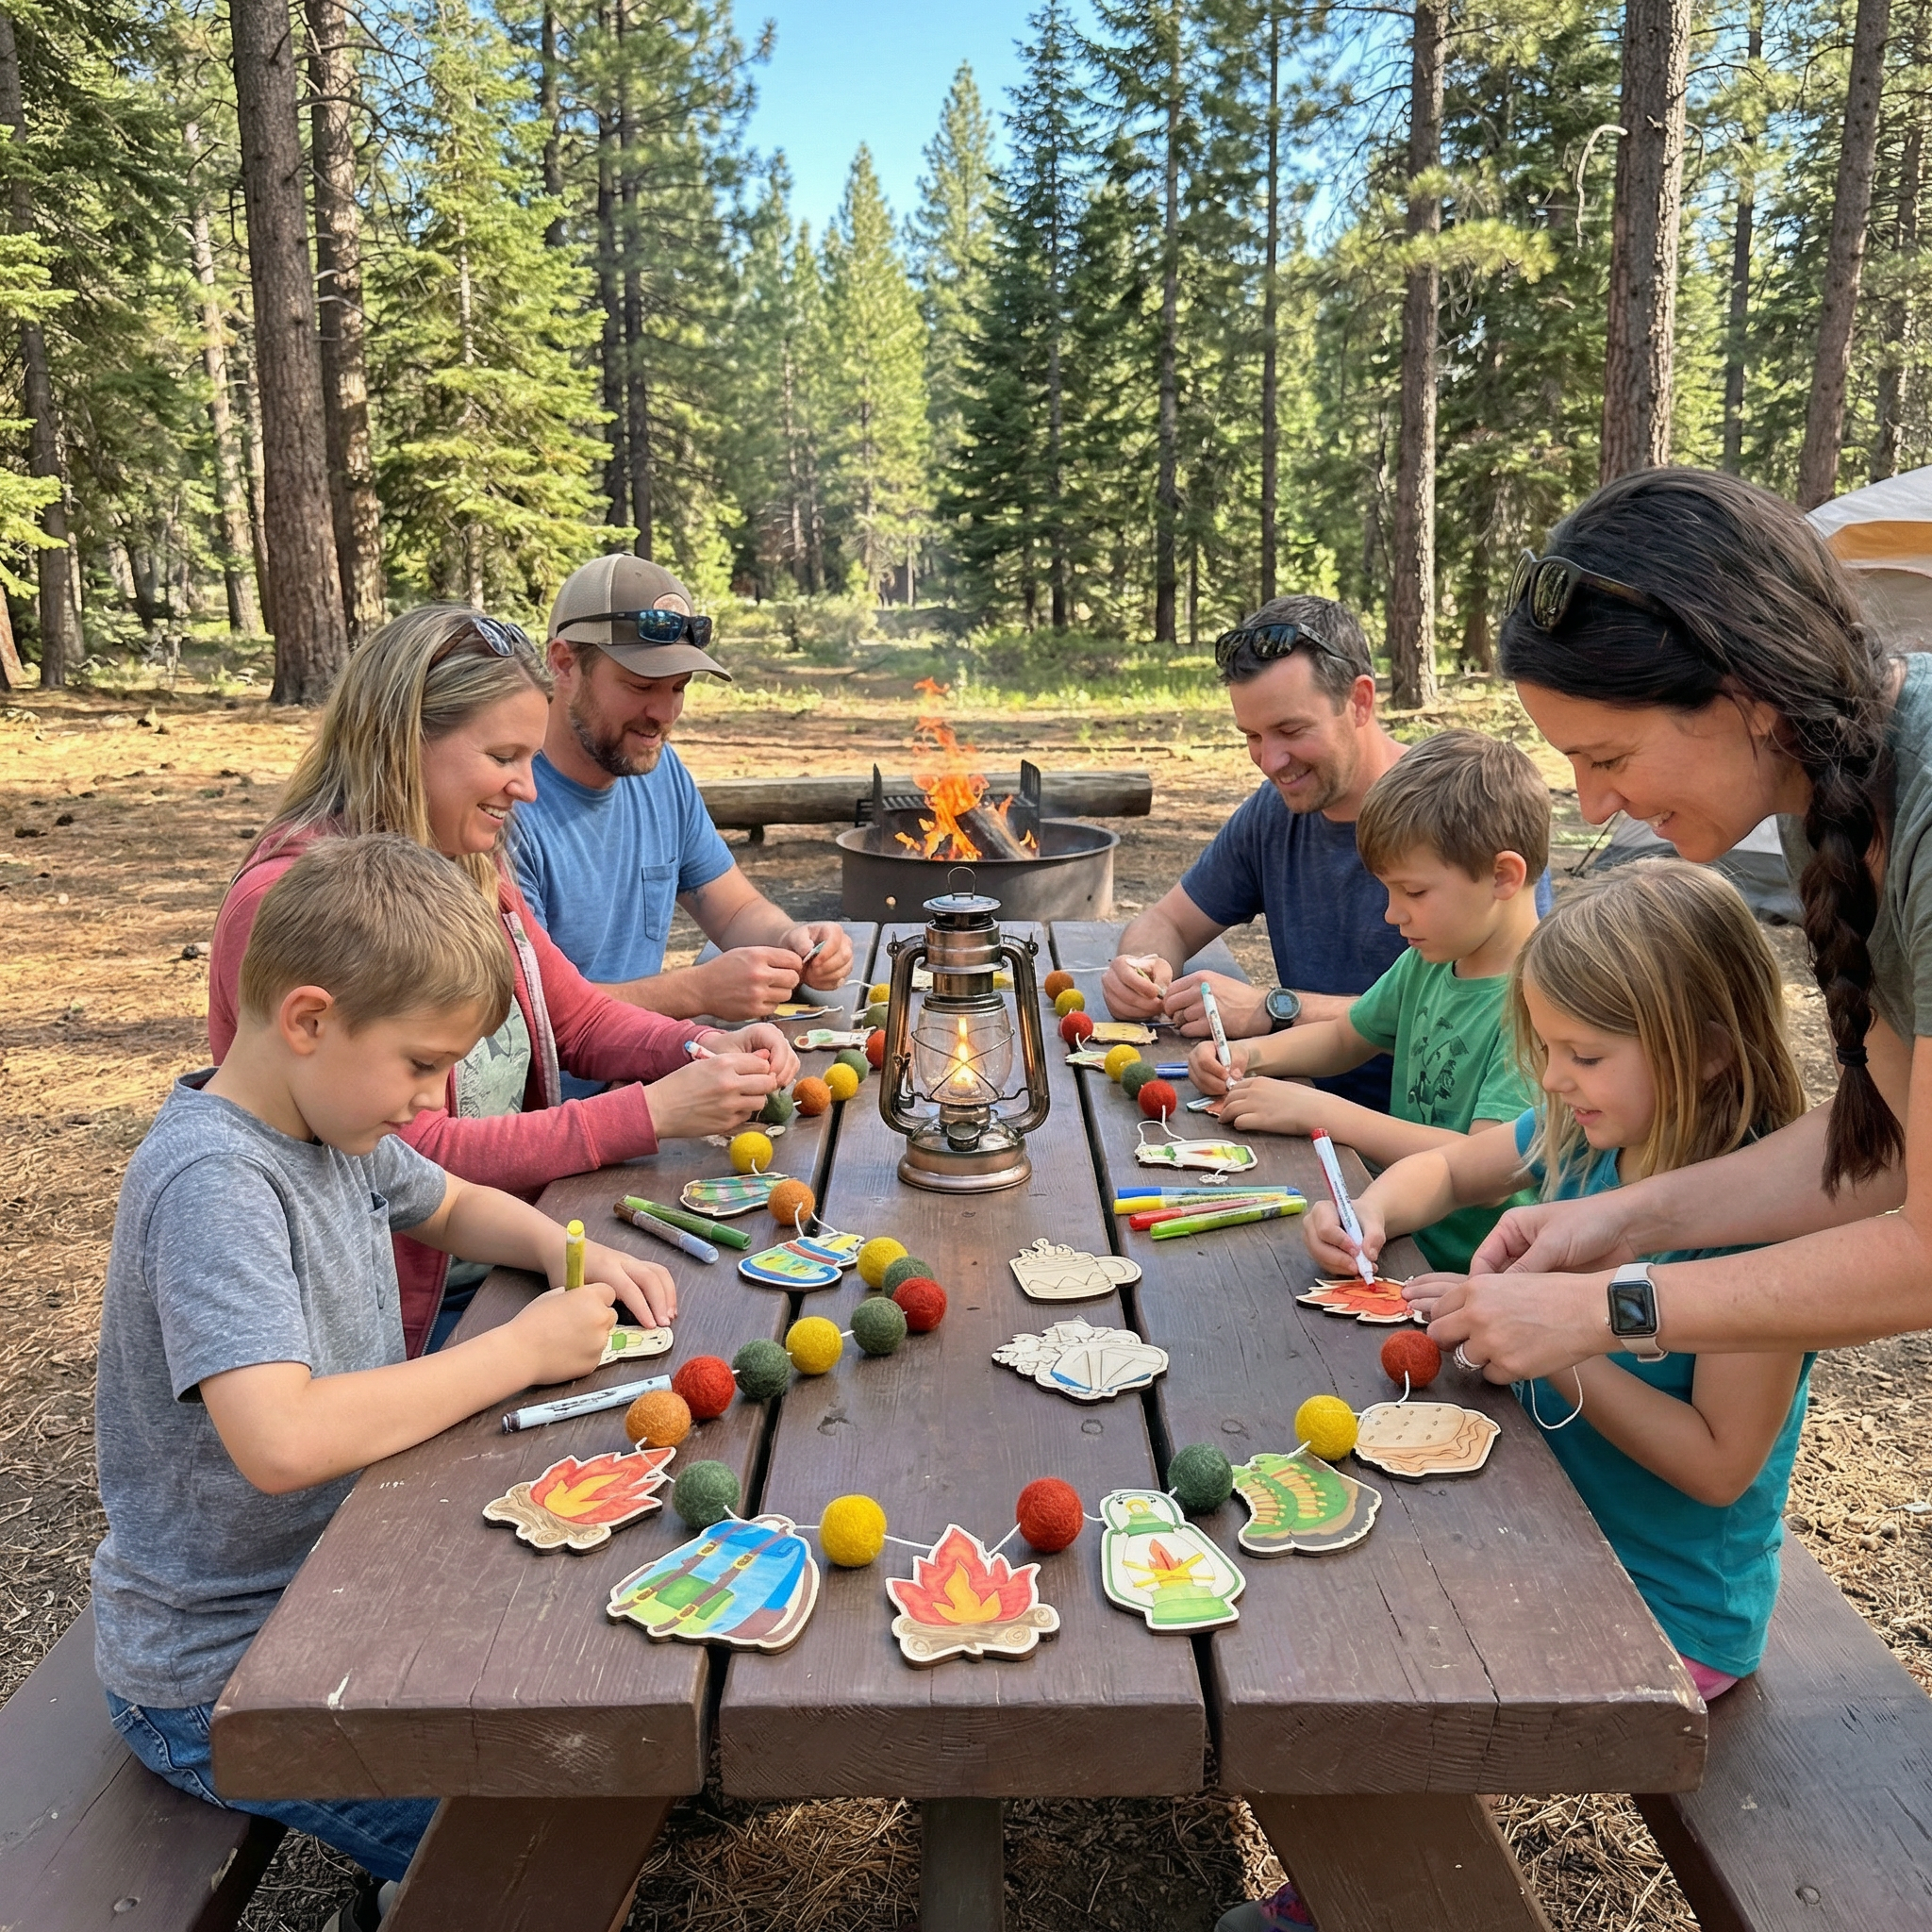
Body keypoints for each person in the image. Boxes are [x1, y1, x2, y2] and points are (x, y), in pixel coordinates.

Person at [96, 836, 675, 1931]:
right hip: (220, 1671)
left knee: (600, 1714)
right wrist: (514, 1350)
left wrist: (575, 1256)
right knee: (545, 1837)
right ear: (309, 1018)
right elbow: (279, 1439)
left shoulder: (332, 1122)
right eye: (419, 1064)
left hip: (341, 1588)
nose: (427, 1098)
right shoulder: (218, 1181)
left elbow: (449, 1203)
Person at [1408, 466, 1932, 1384]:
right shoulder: (1831, 792)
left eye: (1607, 756)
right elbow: (1880, 1133)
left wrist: (1606, 1305)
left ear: (1748, 692)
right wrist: (1616, 1217)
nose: (1593, 800)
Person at [208, 605, 796, 1357]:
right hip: (394, 1322)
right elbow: (410, 1158)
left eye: (530, 756)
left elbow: (574, 1018)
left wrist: (701, 1048)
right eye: (503, 756)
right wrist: (644, 1116)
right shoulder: (295, 901)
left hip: (517, 1253)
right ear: (402, 740)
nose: (527, 788)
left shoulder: (465, 859)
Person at [1309, 860, 1810, 1704]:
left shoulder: (1762, 1226)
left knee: (1373, 1648)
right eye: (1545, 1049)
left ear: (1711, 1052)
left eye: (1583, 1053)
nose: (1551, 1078)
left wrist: (1549, 1344)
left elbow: (1721, 1467)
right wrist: (1376, 1211)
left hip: (1668, 1609)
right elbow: (1451, 1169)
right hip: (1538, 1515)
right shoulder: (1583, 1131)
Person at [1101, 596, 1554, 1114]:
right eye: (1252, 736)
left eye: (1291, 731)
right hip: (1298, 1107)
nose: (1270, 761)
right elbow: (1169, 921)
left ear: (1360, 701)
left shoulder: (1468, 817)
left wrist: (1274, 1010)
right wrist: (1140, 967)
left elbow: (1496, 1000)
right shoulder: (1274, 814)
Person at [1191, 729, 1547, 1270]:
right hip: (1395, 1233)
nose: (1392, 914)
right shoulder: (1430, 962)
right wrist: (1248, 1056)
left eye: (1414, 892)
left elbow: (1486, 1171)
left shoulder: (1541, 1007)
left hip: (1474, 1276)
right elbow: (1344, 1037)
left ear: (1502, 875)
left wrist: (1322, 1111)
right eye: (1387, 890)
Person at [513, 555, 853, 1057]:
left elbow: (734, 909)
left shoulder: (658, 771)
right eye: (641, 686)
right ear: (563, 664)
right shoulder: (503, 804)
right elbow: (530, 1016)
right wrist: (696, 991)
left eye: (679, 688)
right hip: (562, 1111)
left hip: (653, 1071)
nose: (664, 714)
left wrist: (793, 940)